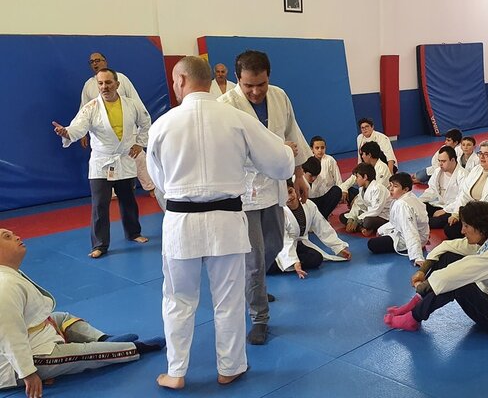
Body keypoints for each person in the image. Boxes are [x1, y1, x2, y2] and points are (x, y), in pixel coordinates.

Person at [145, 56, 295, 388]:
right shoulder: (237, 119)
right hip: (226, 221)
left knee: (178, 300)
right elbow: (280, 165)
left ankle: (176, 373)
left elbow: (159, 180)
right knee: (228, 300)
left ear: (181, 80)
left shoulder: (162, 125)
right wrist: (286, 150)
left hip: (180, 222)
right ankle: (230, 367)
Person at [0, 228, 164, 398]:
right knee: (84, 353)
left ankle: (104, 339)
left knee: (62, 317)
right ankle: (137, 348)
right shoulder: (4, 286)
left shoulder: (8, 275)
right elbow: (9, 336)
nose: (17, 237)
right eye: (7, 237)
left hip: (32, 335)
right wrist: (27, 373)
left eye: (12, 234)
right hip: (24, 360)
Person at [218, 50, 312, 345]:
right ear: (237, 79)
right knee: (255, 258)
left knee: (274, 245)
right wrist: (277, 149)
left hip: (274, 186)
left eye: (261, 84)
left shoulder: (279, 96)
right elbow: (227, 152)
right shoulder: (225, 106)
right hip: (243, 191)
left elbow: (293, 133)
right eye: (249, 85)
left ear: (269, 76)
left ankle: (252, 285)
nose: (256, 91)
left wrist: (298, 174)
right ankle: (259, 317)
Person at [384, 201, 488, 336]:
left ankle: (413, 317)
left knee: (456, 282)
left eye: (466, 226)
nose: (462, 231)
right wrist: (423, 270)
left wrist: (425, 285)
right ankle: (416, 303)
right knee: (448, 257)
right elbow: (448, 246)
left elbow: (456, 274)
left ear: (481, 228)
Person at [53, 68, 150, 259]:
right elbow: (78, 127)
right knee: (100, 205)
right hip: (101, 162)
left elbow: (146, 122)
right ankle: (100, 244)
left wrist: (140, 142)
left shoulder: (131, 105)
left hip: (124, 158)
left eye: (108, 82)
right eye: (100, 83)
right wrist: (67, 132)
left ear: (117, 84)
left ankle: (133, 233)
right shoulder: (91, 107)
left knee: (128, 200)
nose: (104, 87)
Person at [79, 52, 156, 197]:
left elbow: (135, 101)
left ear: (105, 61)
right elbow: (84, 108)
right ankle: (113, 192)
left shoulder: (121, 79)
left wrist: (140, 131)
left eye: (98, 60)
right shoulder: (89, 85)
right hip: (104, 135)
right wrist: (82, 133)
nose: (95, 63)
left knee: (139, 158)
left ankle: (151, 187)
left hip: (127, 129)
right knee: (108, 161)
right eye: (92, 62)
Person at [271, 179, 351, 279]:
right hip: (280, 247)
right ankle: (288, 263)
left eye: (290, 192)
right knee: (269, 265)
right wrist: (294, 261)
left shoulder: (308, 205)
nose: (289, 197)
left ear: (295, 190)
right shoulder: (279, 212)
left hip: (299, 244)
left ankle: (289, 264)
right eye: (283, 195)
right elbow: (284, 240)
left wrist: (339, 247)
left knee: (316, 258)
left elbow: (322, 227)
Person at [443, 140, 488, 240]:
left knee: (451, 230)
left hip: (484, 216)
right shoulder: (477, 169)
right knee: (448, 225)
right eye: (480, 153)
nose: (482, 157)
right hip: (469, 211)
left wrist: (469, 217)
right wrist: (456, 214)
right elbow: (464, 194)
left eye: (486, 154)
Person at [368, 173, 430, 266]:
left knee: (372, 244)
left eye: (395, 186)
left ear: (405, 189)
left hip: (414, 237)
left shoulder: (403, 205)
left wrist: (417, 257)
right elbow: (396, 221)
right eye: (390, 185)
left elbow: (410, 230)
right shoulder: (409, 197)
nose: (391, 189)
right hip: (420, 234)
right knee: (381, 233)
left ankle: (416, 247)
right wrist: (381, 230)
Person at [418, 146, 468, 229]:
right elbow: (431, 190)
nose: (440, 164)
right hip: (439, 205)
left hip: (453, 209)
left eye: (443, 161)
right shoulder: (438, 171)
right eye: (439, 161)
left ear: (453, 160)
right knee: (420, 207)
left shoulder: (463, 175)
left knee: (437, 222)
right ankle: (422, 221)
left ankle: (421, 222)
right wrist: (418, 202)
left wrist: (444, 210)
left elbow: (461, 199)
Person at [339, 163, 392, 237]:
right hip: (369, 212)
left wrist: (357, 220)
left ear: (365, 177)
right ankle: (363, 229)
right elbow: (358, 205)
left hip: (384, 216)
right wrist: (351, 218)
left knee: (367, 222)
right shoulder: (362, 189)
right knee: (343, 217)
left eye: (357, 177)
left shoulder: (378, 189)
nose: (356, 180)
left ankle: (366, 227)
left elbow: (376, 211)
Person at [306, 135, 343, 219]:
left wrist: (342, 191)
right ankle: (319, 216)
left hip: (326, 196)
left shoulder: (330, 160)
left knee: (337, 191)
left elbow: (337, 178)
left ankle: (323, 216)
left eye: (322, 148)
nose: (320, 150)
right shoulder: (307, 161)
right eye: (317, 148)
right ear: (311, 149)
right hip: (311, 198)